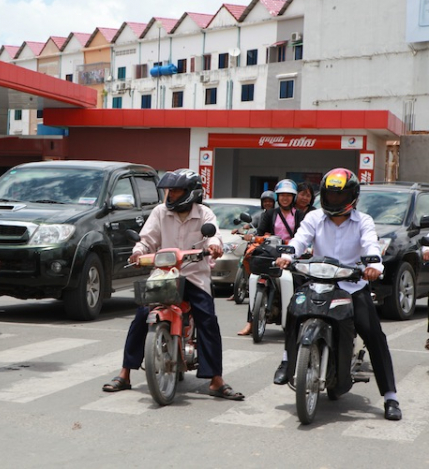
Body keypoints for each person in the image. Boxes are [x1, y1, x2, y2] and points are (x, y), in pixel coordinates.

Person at [101, 169, 244, 401]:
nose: (171, 195)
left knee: (207, 320)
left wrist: (215, 245)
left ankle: (216, 380)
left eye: (177, 191)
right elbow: (147, 239)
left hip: (195, 276)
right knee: (140, 316)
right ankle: (125, 374)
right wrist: (137, 252)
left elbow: (213, 236)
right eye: (170, 191)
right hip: (164, 275)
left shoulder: (204, 213)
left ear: (191, 192)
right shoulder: (160, 212)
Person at [274, 168, 402, 421]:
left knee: (373, 334)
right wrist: (287, 255)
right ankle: (288, 360)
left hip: (351, 285)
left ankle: (390, 396)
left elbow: (370, 245)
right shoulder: (313, 218)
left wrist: (374, 266)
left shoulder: (363, 220)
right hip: (318, 281)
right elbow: (299, 240)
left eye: (339, 196)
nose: (334, 200)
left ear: (352, 196)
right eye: (330, 196)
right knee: (294, 310)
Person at [237, 180, 304, 336]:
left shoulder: (300, 215)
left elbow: (303, 237)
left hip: (292, 255)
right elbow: (260, 233)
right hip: (270, 253)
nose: (285, 198)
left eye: (288, 196)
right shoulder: (269, 214)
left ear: (293, 198)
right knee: (256, 278)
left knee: (298, 281)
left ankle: (295, 320)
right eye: (282, 196)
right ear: (277, 197)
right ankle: (250, 322)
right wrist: (257, 238)